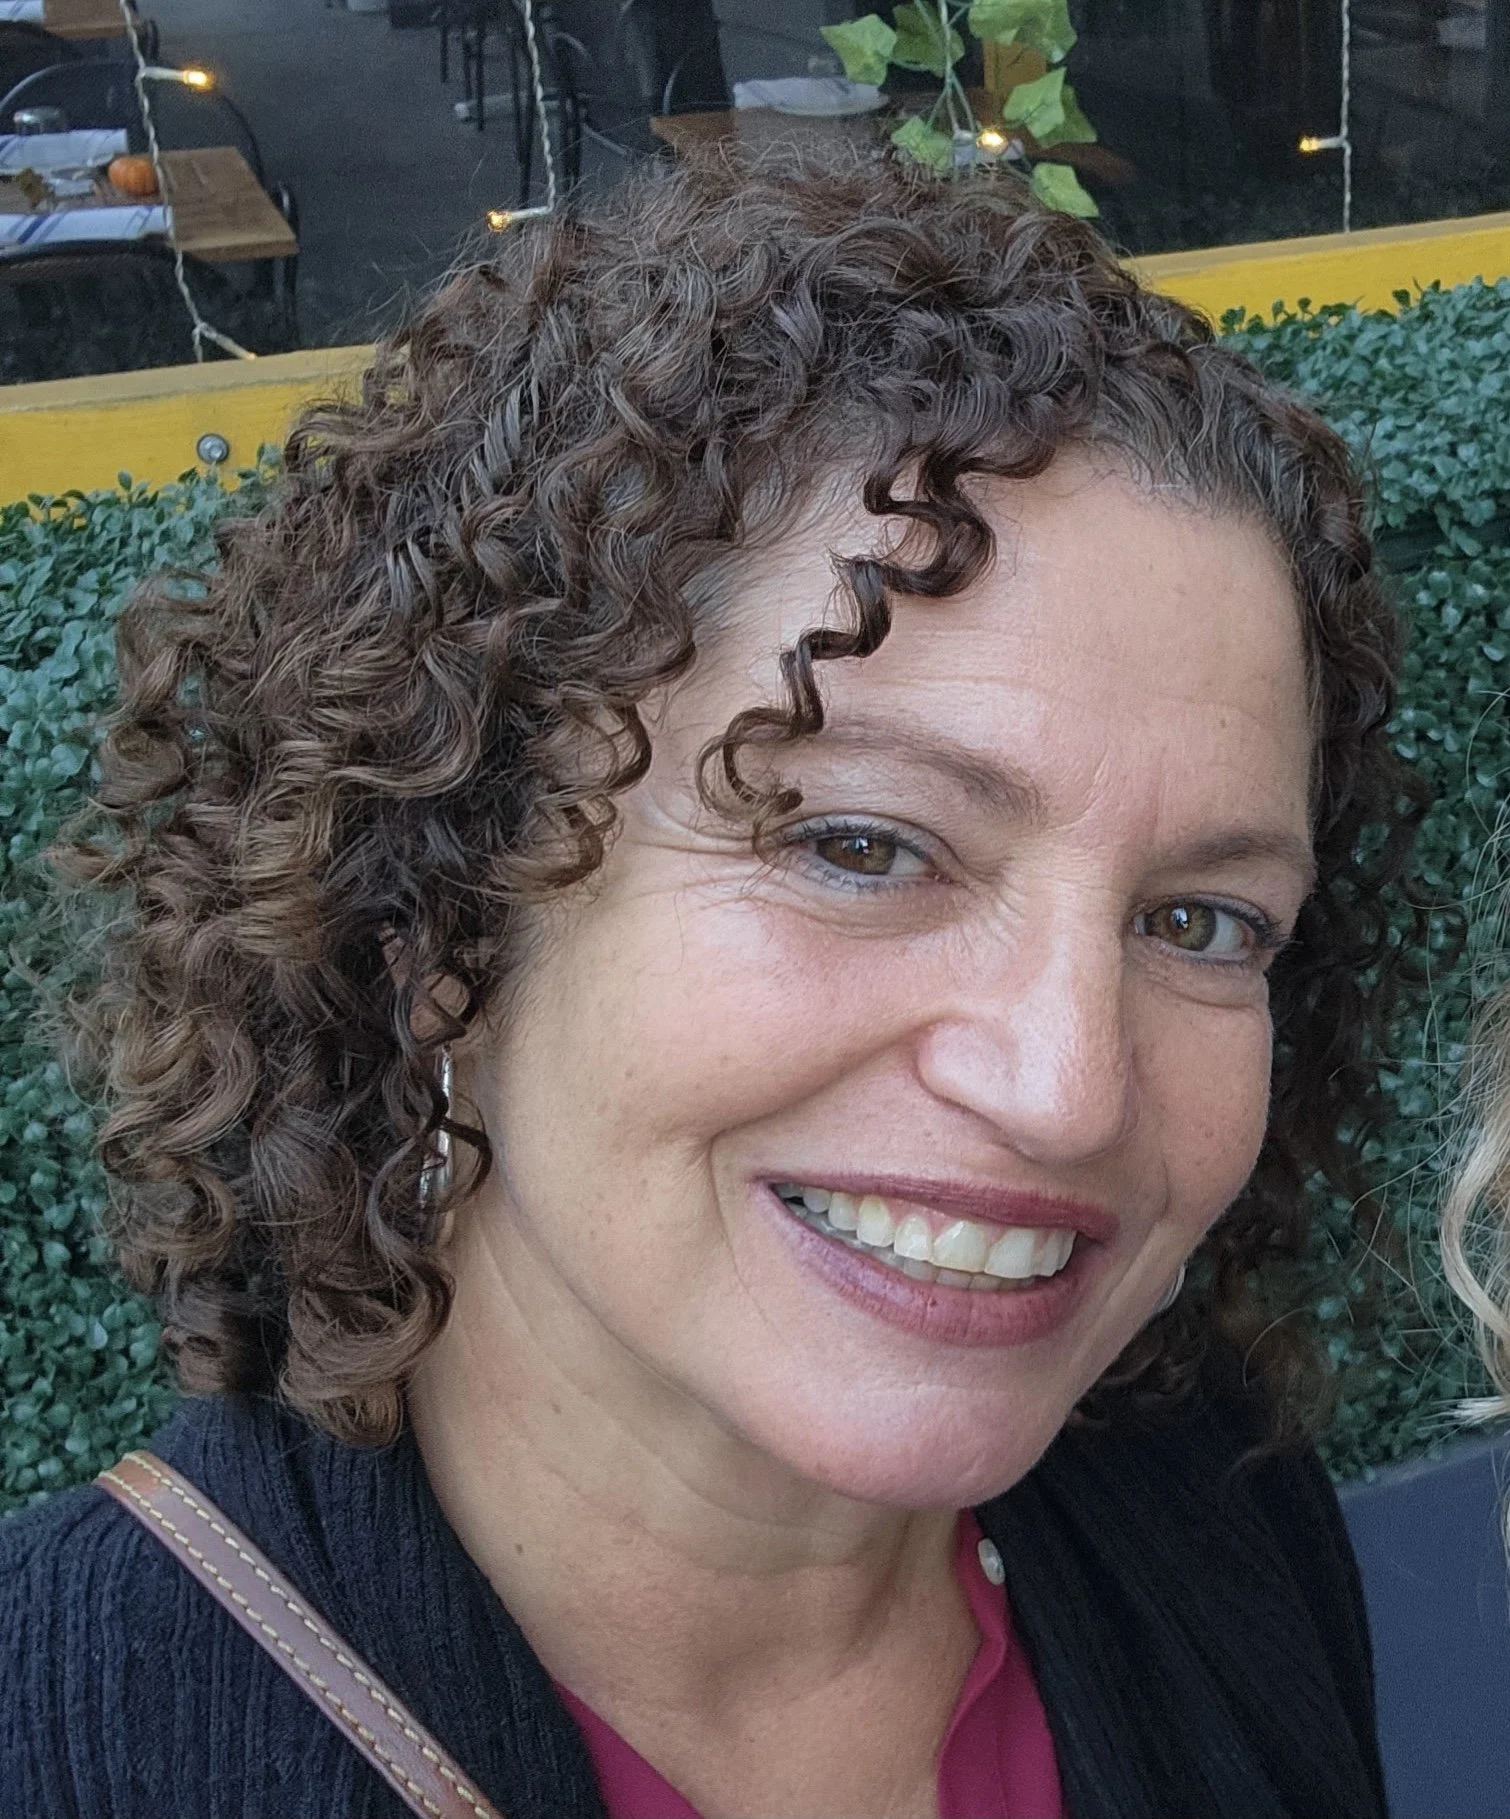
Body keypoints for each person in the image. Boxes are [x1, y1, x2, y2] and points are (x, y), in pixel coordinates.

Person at [0, 159, 1412, 1819]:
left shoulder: (1206, 1506)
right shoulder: (68, 1749)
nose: (1064, 1087)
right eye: (864, 847)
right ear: (441, 913)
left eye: (1198, 921)